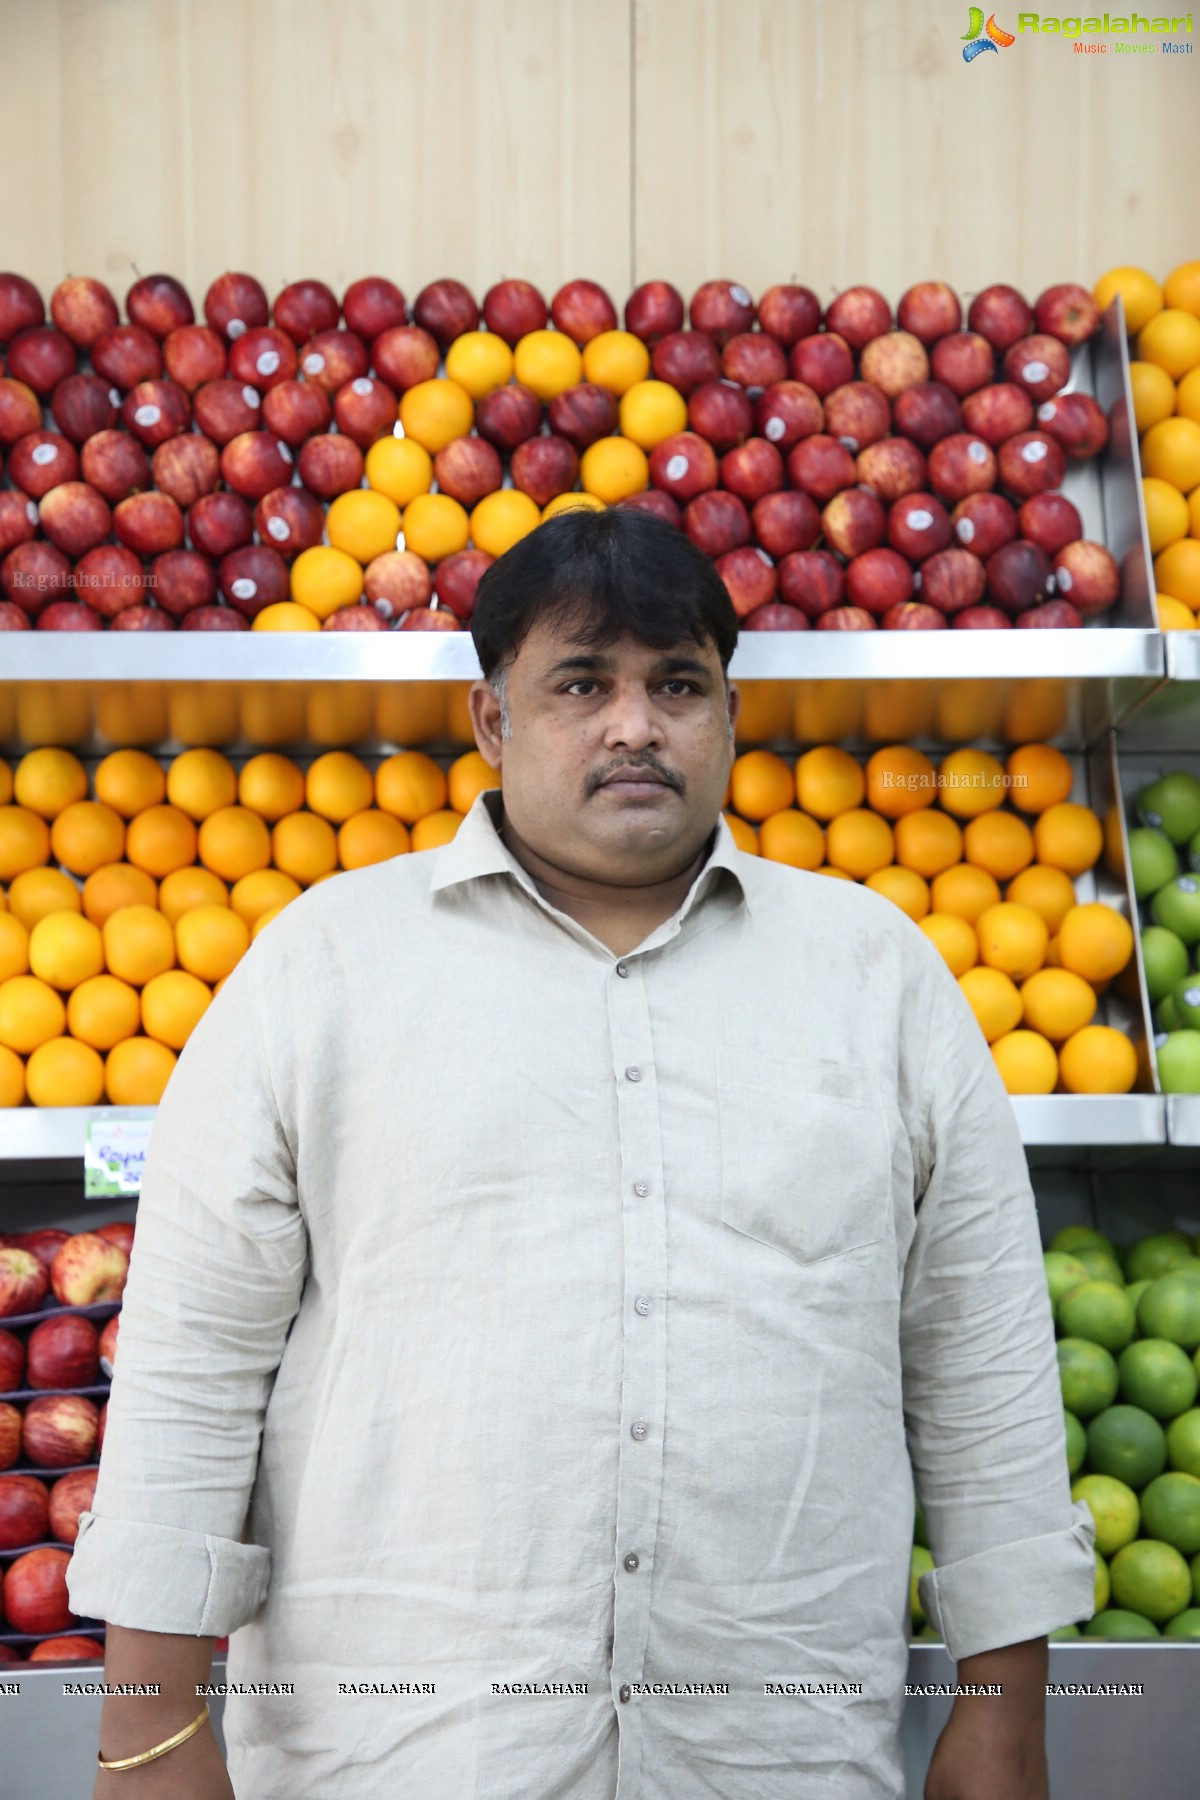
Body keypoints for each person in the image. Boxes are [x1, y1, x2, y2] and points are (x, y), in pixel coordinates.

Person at [69, 506, 1096, 1800]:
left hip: (776, 1762)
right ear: (493, 720)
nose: (634, 726)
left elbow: (982, 1365)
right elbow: (191, 1364)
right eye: (581, 683)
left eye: (677, 686)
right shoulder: (323, 969)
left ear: (730, 715)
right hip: (398, 1763)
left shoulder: (877, 974)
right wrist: (151, 1735)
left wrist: (1004, 1715)